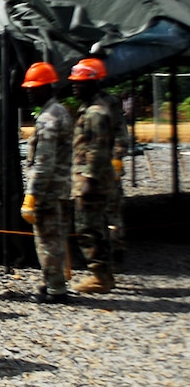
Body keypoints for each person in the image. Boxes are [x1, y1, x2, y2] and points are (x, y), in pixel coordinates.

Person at [20, 62, 73, 304]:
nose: (30, 92)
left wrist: (32, 195)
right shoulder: (55, 112)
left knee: (48, 239)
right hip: (55, 188)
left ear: (48, 87)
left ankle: (55, 288)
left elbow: (44, 162)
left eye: (35, 88)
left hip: (48, 191)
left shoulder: (50, 118)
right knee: (49, 237)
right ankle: (49, 281)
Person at [68, 59, 116, 293]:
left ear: (95, 83)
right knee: (95, 226)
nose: (75, 87)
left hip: (92, 182)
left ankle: (100, 276)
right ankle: (103, 273)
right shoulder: (90, 108)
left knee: (89, 227)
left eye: (81, 83)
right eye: (75, 83)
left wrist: (88, 179)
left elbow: (97, 149)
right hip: (89, 179)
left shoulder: (95, 112)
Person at [81, 57, 130, 265]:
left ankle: (115, 252)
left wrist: (117, 158)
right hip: (100, 164)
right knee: (105, 211)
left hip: (105, 165)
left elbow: (119, 134)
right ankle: (111, 252)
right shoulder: (93, 104)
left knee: (110, 210)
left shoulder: (104, 106)